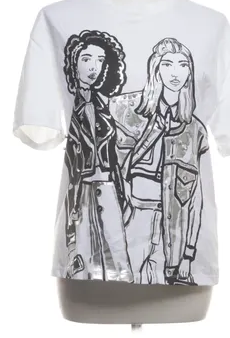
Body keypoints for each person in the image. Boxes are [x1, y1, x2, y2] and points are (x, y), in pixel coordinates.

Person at [112, 37, 210, 285]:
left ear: (190, 72)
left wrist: (188, 254)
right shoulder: (127, 110)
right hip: (134, 217)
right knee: (125, 283)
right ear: (156, 69)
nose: (175, 73)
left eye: (183, 65)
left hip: (172, 233)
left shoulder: (195, 130)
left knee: (161, 286)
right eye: (167, 64)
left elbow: (196, 198)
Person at [62, 29, 133, 283]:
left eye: (100, 60)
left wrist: (122, 191)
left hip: (110, 188)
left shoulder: (105, 106)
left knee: (119, 261)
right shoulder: (69, 105)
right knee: (85, 263)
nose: (94, 67)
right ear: (74, 62)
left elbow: (116, 153)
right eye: (86, 59)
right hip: (82, 192)